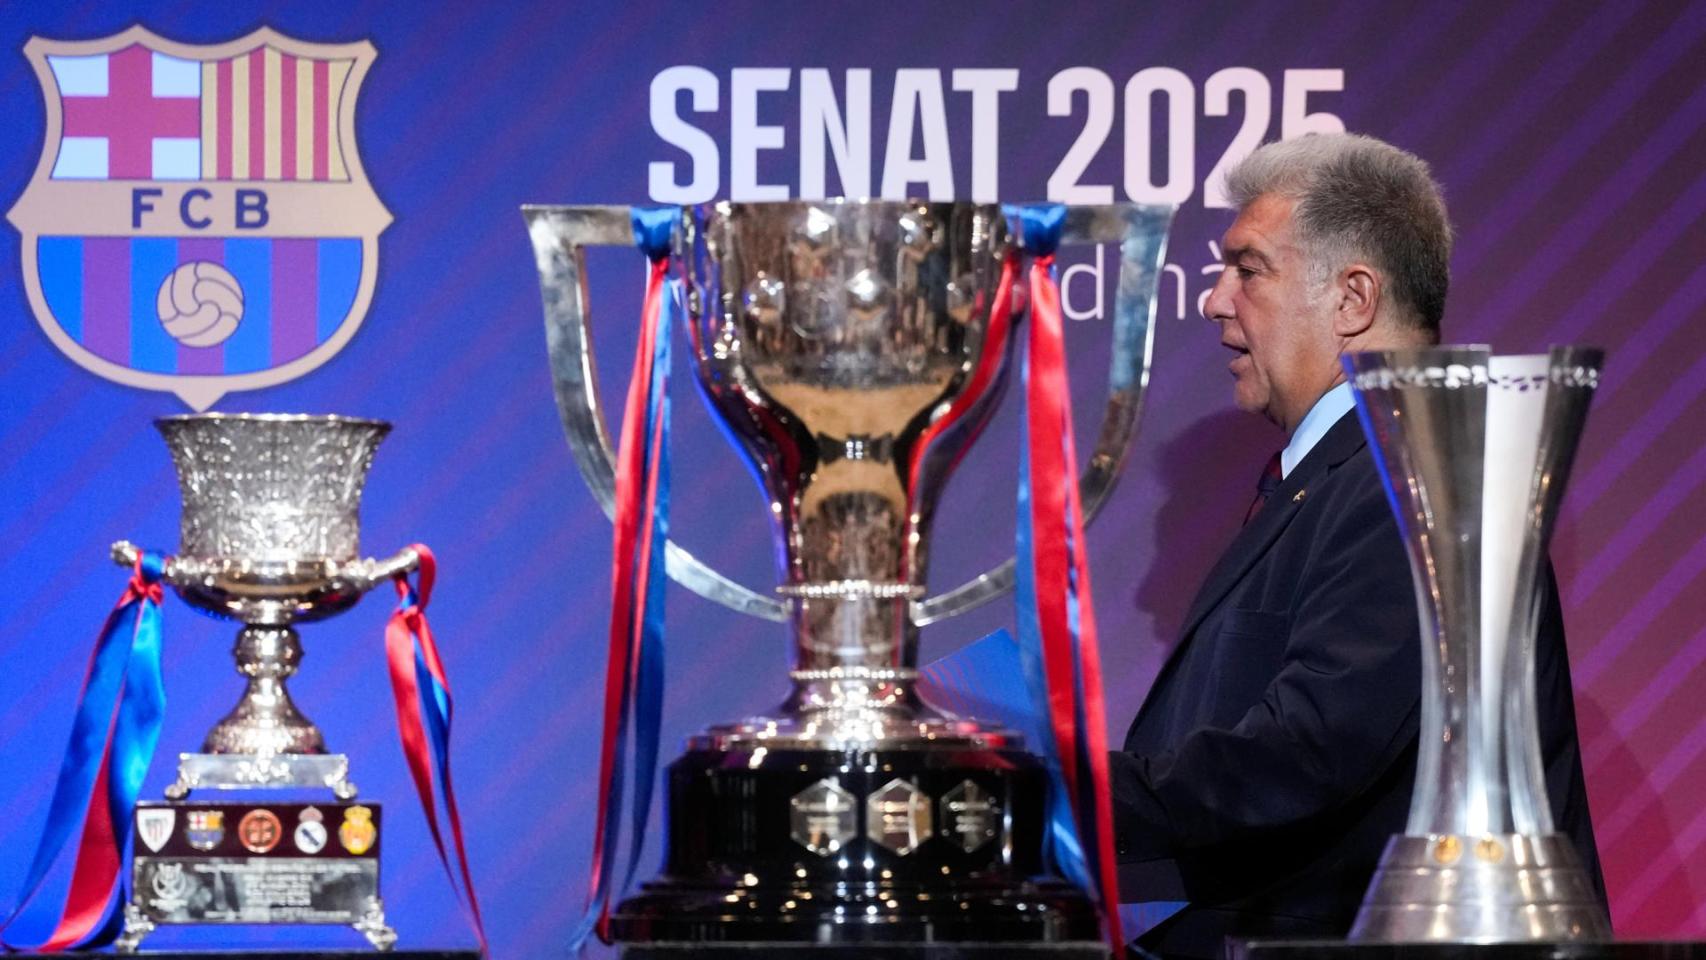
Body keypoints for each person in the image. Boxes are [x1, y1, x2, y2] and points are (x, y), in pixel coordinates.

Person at [1109, 133, 1605, 958]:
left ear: (1352, 299)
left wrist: (1061, 794)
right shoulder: (1345, 476)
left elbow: (1307, 751)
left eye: (1248, 268)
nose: (1213, 300)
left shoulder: (1415, 478)